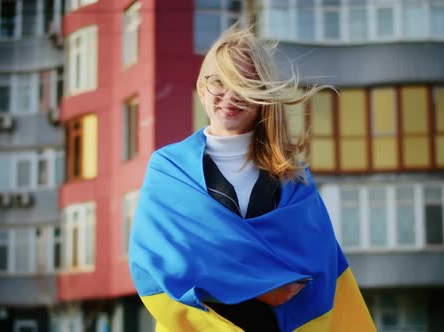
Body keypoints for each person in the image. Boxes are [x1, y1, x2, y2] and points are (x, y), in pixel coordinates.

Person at [129, 26, 375, 332]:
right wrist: (264, 283)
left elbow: (311, 271)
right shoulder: (169, 169)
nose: (230, 96)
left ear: (262, 97)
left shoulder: (293, 179)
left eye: (245, 84)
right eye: (219, 81)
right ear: (202, 88)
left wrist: (224, 269)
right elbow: (162, 262)